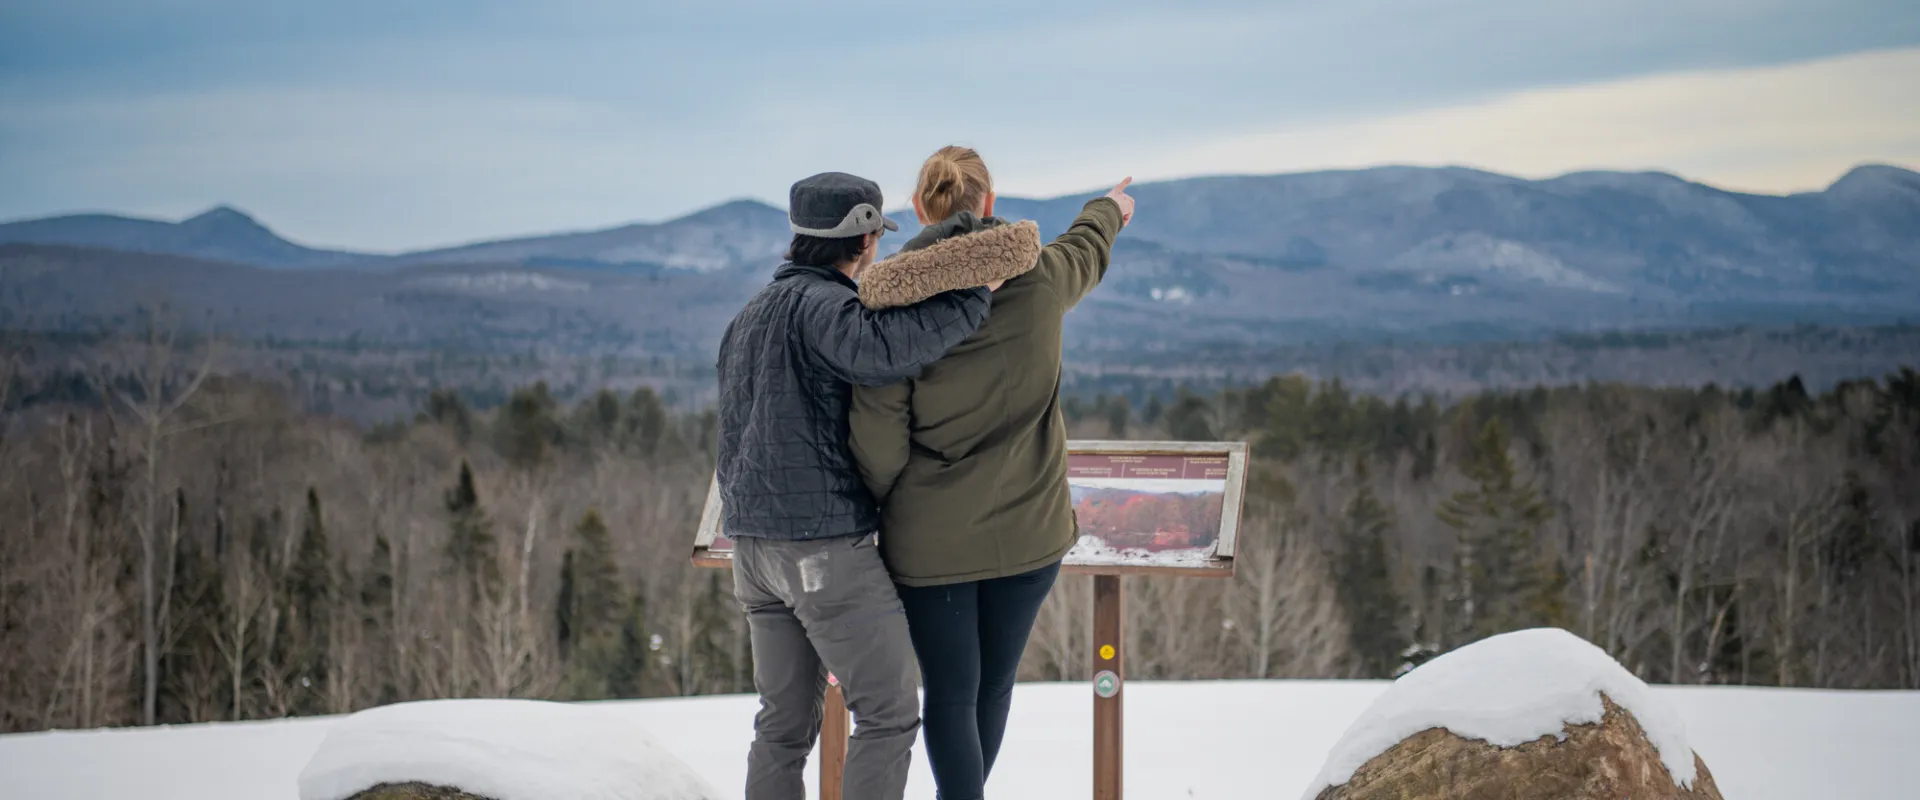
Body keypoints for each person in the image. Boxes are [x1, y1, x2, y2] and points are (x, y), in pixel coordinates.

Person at [714, 170, 1035, 800]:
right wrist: (977, 293)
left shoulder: (749, 314)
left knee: (781, 726)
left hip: (752, 551)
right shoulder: (825, 306)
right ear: (863, 240)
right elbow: (888, 351)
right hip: (822, 550)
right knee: (888, 713)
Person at [849, 147, 1135, 799]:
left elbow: (878, 430)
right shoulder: (1040, 276)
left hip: (930, 538)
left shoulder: (890, 301)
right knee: (994, 684)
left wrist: (892, 499)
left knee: (950, 692)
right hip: (1029, 531)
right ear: (991, 202)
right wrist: (1111, 207)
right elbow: (1085, 245)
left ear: (920, 207)